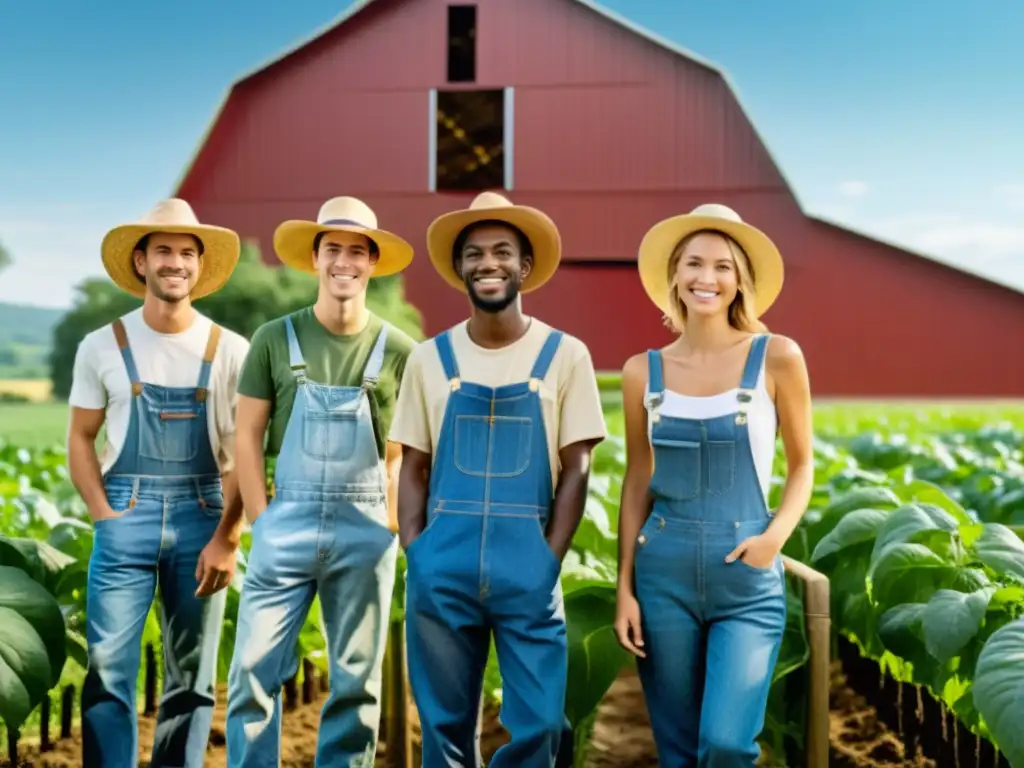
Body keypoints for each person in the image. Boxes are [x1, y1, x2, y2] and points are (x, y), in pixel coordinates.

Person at [390, 191, 607, 767]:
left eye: (503, 251)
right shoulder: (428, 359)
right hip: (443, 566)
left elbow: (578, 464)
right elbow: (413, 464)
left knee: (540, 726)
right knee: (443, 727)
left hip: (528, 567)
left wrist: (547, 559)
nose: (489, 263)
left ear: (524, 267)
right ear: (460, 267)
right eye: (475, 253)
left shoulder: (565, 355)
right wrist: (419, 550)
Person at [613, 203, 814, 766]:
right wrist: (624, 586)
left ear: (740, 280)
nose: (708, 278)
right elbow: (637, 482)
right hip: (662, 575)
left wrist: (773, 539)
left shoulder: (776, 357)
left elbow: (802, 466)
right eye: (695, 264)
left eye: (723, 266)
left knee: (727, 743)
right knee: (677, 749)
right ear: (674, 274)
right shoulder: (640, 371)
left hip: (745, 575)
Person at [225, 196, 417, 767]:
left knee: (357, 682)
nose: (344, 261)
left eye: (357, 251)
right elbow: (246, 438)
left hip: (366, 528)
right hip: (285, 522)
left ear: (372, 263)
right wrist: (262, 519)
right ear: (315, 258)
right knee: (253, 676)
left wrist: (388, 522)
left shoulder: (400, 350)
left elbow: (401, 453)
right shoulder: (272, 339)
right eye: (333, 248)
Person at [67, 199, 249, 768]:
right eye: (164, 251)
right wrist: (103, 515)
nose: (176, 262)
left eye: (187, 253)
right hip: (125, 514)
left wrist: (228, 534)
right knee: (108, 672)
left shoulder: (230, 350)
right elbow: (80, 438)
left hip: (204, 516)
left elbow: (241, 453)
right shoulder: (101, 345)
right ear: (141, 262)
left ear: (199, 267)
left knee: (191, 678)